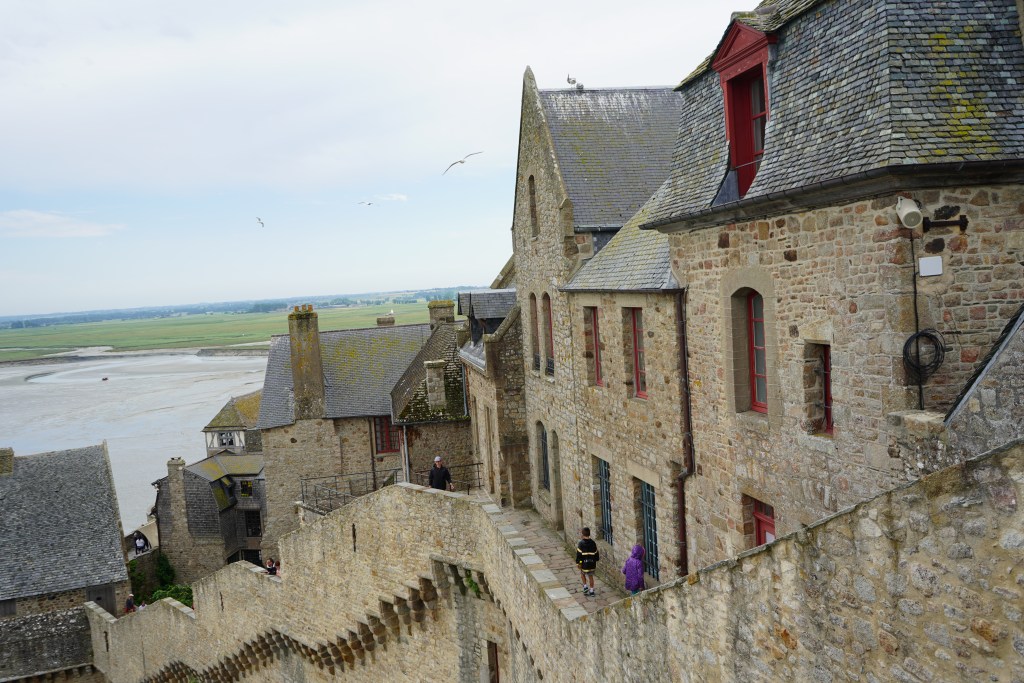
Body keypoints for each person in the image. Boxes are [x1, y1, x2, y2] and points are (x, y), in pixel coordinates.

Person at [576, 527, 600, 596]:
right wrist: (595, 560)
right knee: (591, 577)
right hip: (592, 564)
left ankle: (585, 586)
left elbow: (579, 555)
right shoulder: (593, 543)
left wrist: (579, 563)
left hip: (584, 564)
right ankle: (591, 590)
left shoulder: (581, 544)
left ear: (582, 534)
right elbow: (596, 553)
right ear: (589, 534)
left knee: (582, 574)